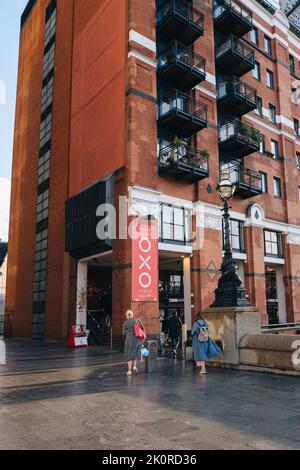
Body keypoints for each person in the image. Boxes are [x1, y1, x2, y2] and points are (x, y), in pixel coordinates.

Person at [122, 310, 143, 376]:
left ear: (127, 315)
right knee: (135, 352)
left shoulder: (125, 322)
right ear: (132, 315)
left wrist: (126, 331)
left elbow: (123, 332)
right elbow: (141, 328)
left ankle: (129, 371)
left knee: (129, 354)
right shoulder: (135, 321)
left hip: (129, 339)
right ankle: (134, 366)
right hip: (136, 339)